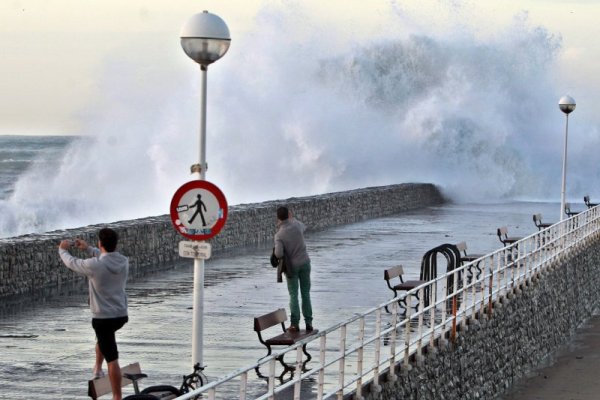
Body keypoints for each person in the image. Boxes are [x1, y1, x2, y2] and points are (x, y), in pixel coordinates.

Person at [58, 227, 129, 400]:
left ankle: (117, 397)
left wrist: (62, 249)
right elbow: (105, 257)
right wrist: (89, 249)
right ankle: (97, 368)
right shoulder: (123, 261)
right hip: (120, 315)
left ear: (100, 243)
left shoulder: (94, 265)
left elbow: (72, 262)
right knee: (104, 339)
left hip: (103, 317)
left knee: (112, 357)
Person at [274, 206, 313, 332]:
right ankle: (309, 322)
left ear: (278, 218)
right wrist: (291, 219)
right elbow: (304, 227)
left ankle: (295, 324)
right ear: (289, 215)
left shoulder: (279, 235)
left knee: (293, 295)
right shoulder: (297, 225)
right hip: (305, 263)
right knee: (306, 293)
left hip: (292, 268)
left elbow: (279, 254)